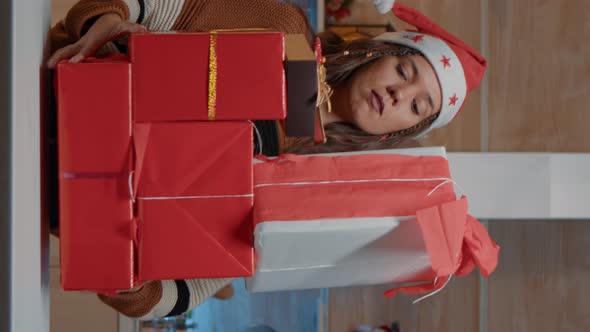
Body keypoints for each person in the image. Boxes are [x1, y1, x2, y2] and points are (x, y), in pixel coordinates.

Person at [48, 0, 486, 320]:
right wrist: (107, 20)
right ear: (379, 51)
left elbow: (180, 292)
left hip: (48, 203)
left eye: (416, 107)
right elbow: (157, 8)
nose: (398, 95)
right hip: (45, 88)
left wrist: (129, 277)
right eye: (404, 72)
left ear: (401, 132)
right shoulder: (284, 30)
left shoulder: (306, 194)